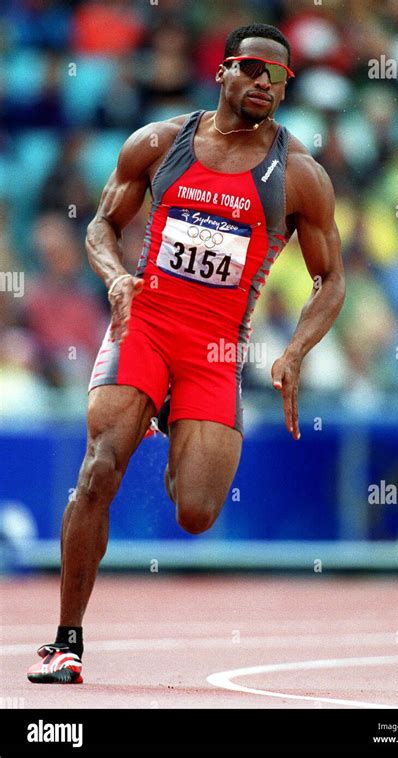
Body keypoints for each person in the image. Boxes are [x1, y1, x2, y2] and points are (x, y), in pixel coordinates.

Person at [27, 23, 345, 684]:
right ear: (224, 69)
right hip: (145, 324)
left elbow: (331, 279)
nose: (266, 85)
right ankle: (66, 643)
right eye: (255, 70)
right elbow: (100, 227)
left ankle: (170, 417)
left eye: (279, 79)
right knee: (99, 467)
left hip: (214, 350)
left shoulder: (299, 176)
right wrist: (115, 277)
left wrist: (294, 351)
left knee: (196, 512)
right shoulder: (158, 142)